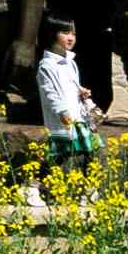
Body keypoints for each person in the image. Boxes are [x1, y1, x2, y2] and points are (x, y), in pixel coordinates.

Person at [32, 14, 99, 164]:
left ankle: (89, 186)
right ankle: (32, 184)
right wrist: (62, 111)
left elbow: (71, 85)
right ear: (51, 34)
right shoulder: (46, 65)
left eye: (73, 34)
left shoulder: (71, 63)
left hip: (78, 117)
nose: (71, 38)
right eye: (65, 33)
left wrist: (80, 92)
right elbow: (49, 93)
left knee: (89, 151)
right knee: (56, 155)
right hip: (61, 119)